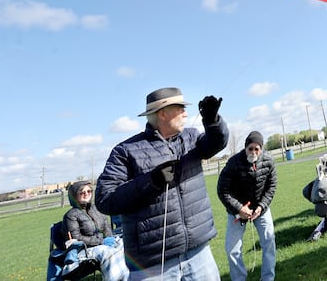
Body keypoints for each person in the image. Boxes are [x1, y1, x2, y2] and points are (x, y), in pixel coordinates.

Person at [95, 87, 229, 280]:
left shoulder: (190, 137)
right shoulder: (125, 151)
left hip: (199, 255)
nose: (186, 113)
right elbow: (104, 199)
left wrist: (212, 120)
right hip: (152, 266)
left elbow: (216, 143)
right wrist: (152, 181)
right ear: (163, 113)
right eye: (180, 107)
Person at [217, 131, 277, 281]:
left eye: (257, 149)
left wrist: (261, 207)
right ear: (245, 148)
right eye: (250, 148)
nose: (253, 152)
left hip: (260, 210)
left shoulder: (269, 161)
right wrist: (239, 208)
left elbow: (271, 186)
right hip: (237, 211)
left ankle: (268, 278)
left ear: (261, 149)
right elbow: (222, 190)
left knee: (269, 242)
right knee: (232, 249)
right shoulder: (233, 163)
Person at [62, 180, 129, 280]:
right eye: (82, 192)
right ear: (75, 196)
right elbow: (77, 238)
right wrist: (101, 241)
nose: (86, 194)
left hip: (103, 244)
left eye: (89, 191)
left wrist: (109, 237)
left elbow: (106, 227)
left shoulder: (96, 209)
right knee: (109, 252)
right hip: (85, 248)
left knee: (125, 245)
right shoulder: (70, 215)